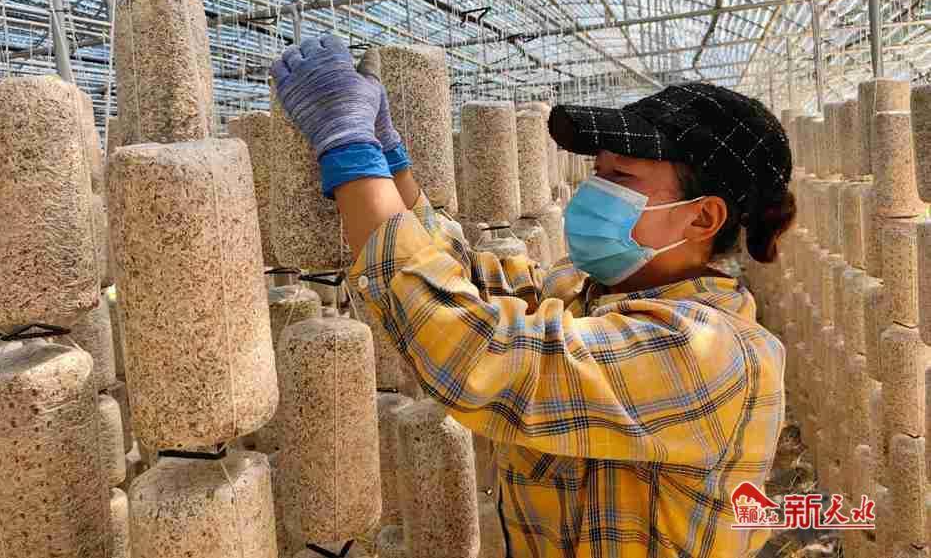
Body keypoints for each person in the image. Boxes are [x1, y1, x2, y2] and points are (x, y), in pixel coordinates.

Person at [271, 35, 794, 558]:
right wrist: (389, 158)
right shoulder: (589, 292)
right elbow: (472, 283)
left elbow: (481, 353)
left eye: (621, 177)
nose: (593, 191)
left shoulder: (710, 353)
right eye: (598, 173)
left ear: (702, 217)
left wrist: (350, 153)